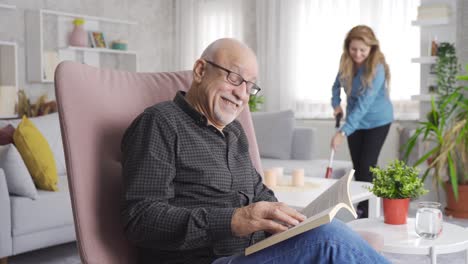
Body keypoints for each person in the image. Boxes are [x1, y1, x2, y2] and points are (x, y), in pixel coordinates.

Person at [121, 38, 389, 264]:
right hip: (208, 259)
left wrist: (287, 215)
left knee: (330, 232)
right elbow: (141, 219)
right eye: (235, 78)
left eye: (250, 86)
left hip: (253, 252)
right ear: (201, 70)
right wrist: (234, 220)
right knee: (331, 240)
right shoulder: (160, 123)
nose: (242, 94)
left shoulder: (234, 133)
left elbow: (259, 193)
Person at [330, 25, 394, 218]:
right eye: (353, 49)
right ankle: (363, 208)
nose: (357, 54)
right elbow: (336, 85)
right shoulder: (346, 62)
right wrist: (336, 104)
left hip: (377, 121)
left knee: (367, 165)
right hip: (354, 121)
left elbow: (364, 105)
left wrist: (342, 132)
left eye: (362, 50)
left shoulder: (377, 68)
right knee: (358, 168)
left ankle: (368, 213)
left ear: (371, 48)